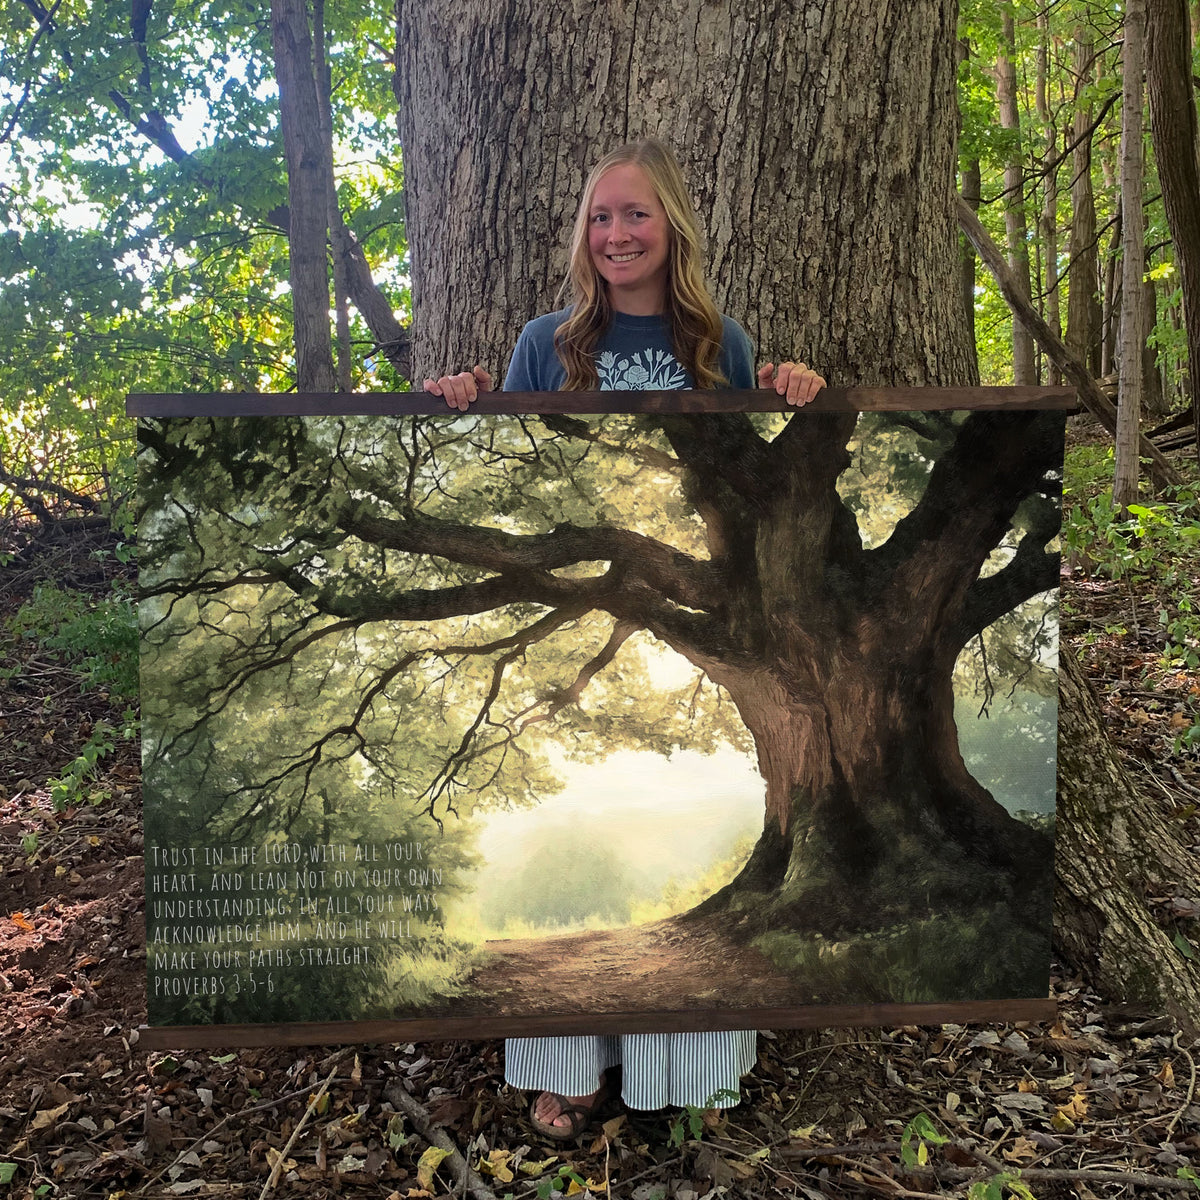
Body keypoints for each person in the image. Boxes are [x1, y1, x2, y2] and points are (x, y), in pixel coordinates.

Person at [423, 138, 825, 1140]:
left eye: (635, 215)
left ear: (672, 226)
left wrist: (790, 384)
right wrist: (459, 400)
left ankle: (683, 1082)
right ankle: (575, 1069)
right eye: (600, 218)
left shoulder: (717, 343)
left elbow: (749, 463)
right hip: (579, 591)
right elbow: (497, 466)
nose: (616, 234)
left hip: (694, 589)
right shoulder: (543, 342)